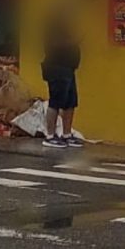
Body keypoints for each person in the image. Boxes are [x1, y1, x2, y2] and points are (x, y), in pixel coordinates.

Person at [41, 11, 82, 148]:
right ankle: (50, 135)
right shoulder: (52, 28)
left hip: (68, 68)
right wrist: (75, 41)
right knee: (56, 101)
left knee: (70, 102)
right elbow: (56, 44)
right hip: (57, 68)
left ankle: (67, 134)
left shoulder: (66, 28)